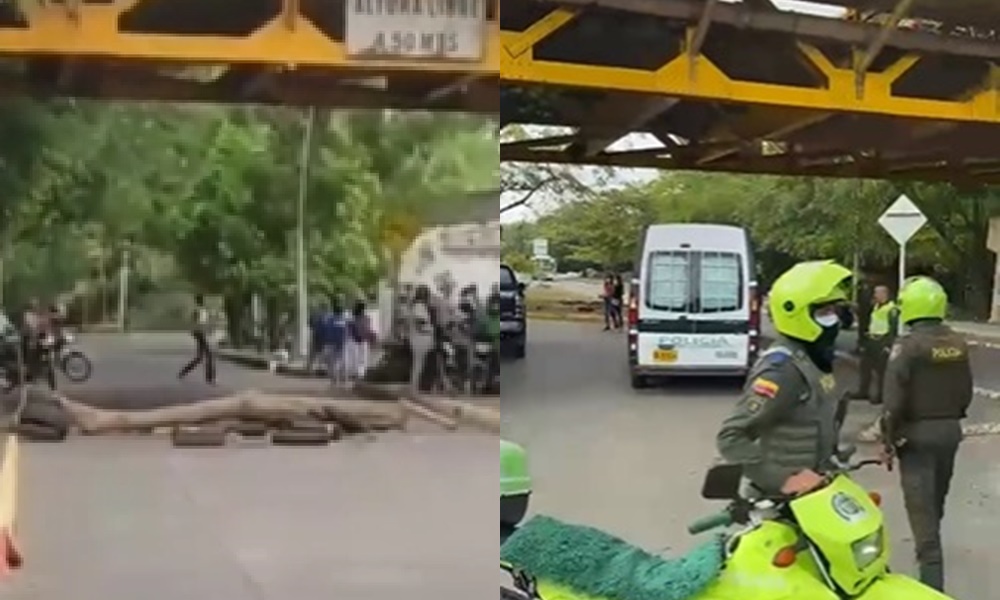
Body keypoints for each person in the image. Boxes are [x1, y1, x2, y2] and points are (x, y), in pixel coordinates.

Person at [717, 260, 852, 496]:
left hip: (818, 493)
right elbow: (731, 438)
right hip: (784, 500)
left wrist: (833, 455)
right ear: (796, 313)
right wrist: (781, 479)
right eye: (823, 312)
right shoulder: (782, 371)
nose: (834, 321)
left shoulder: (814, 359)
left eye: (833, 311)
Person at [880, 276, 972, 592]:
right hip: (949, 432)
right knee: (935, 501)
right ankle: (931, 548)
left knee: (922, 517)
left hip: (916, 436)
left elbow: (892, 402)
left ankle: (932, 588)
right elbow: (966, 393)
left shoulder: (907, 347)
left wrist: (888, 440)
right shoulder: (958, 343)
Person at [853, 284, 898, 404]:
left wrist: (889, 345)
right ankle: (863, 391)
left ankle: (881, 395)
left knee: (881, 370)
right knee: (865, 367)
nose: (875, 295)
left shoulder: (892, 309)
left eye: (877, 293)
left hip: (882, 341)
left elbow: (893, 329)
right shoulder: (876, 306)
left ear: (885, 294)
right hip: (871, 340)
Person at [178, 294, 215, 384]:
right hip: (200, 333)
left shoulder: (203, 310)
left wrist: (207, 330)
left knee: (199, 357)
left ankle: (183, 372)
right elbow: (196, 323)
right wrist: (198, 332)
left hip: (201, 333)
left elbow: (204, 322)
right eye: (202, 300)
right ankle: (210, 378)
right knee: (209, 355)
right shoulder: (198, 310)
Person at [321, 297, 348, 387]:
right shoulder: (343, 321)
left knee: (331, 362)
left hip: (330, 343)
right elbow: (344, 333)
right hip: (338, 344)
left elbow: (324, 331)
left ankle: (334, 379)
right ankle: (337, 378)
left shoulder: (329, 319)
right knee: (337, 362)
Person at [346, 300, 375, 380]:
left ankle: (358, 373)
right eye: (363, 308)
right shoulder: (362, 318)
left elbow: (368, 329)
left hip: (357, 340)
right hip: (359, 340)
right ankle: (358, 373)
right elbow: (368, 329)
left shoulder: (354, 319)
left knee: (357, 358)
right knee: (360, 358)